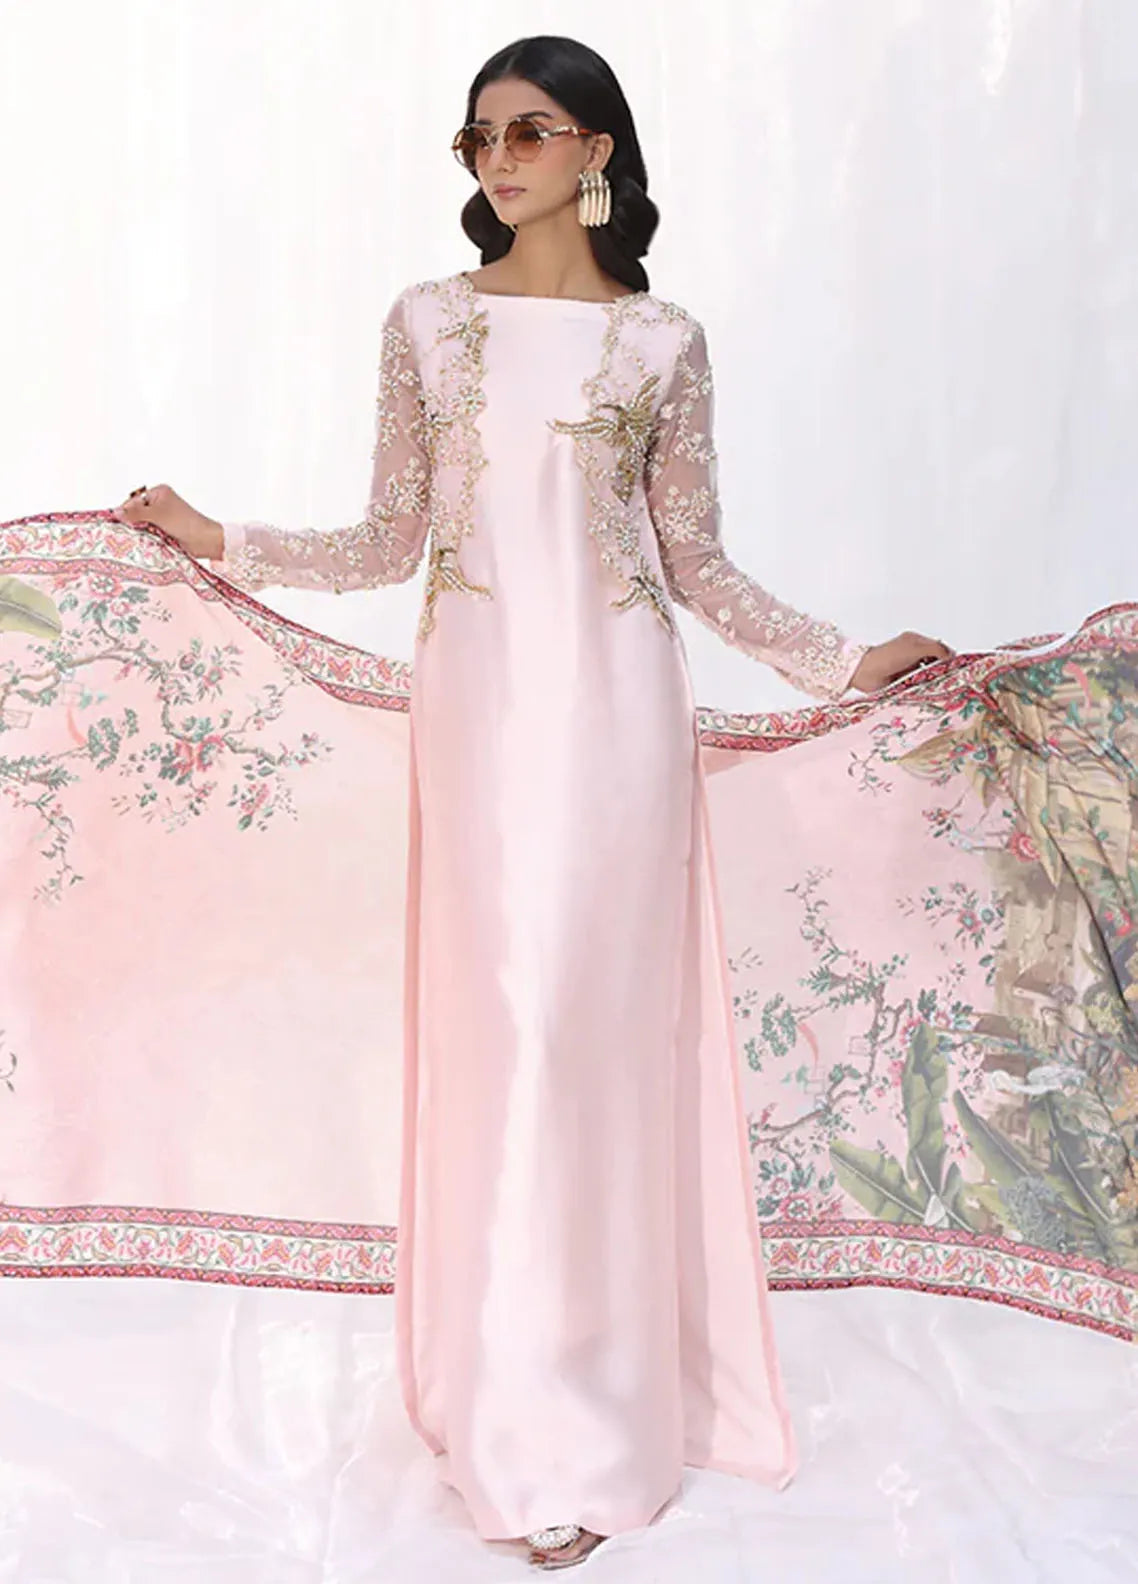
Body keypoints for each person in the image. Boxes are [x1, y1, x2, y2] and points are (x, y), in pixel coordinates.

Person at [112, 34, 951, 1572]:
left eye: (530, 131)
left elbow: (695, 563)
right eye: (478, 138)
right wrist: (220, 538)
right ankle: (513, 1418)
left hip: (620, 720)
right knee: (511, 1038)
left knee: (591, 1047)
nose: (499, 159)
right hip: (482, 719)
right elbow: (387, 540)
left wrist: (845, 659)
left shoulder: (660, 343)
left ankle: (600, 1415)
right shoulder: (428, 325)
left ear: (594, 152)